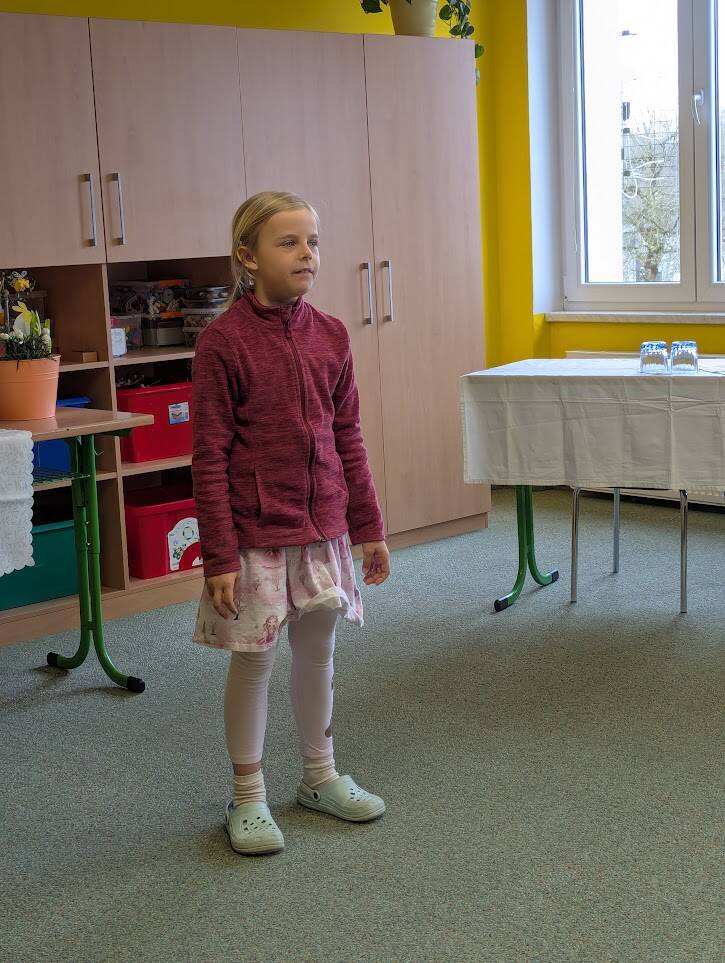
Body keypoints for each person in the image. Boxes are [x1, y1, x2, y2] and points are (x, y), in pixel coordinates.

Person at [191, 190, 391, 856]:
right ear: (247, 256)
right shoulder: (223, 343)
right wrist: (219, 555)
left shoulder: (331, 334)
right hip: (255, 536)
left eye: (313, 241)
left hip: (323, 529)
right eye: (288, 242)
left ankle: (318, 776)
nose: (307, 253)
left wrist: (367, 526)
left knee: (318, 653)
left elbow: (348, 436)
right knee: (255, 662)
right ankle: (247, 796)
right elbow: (209, 454)